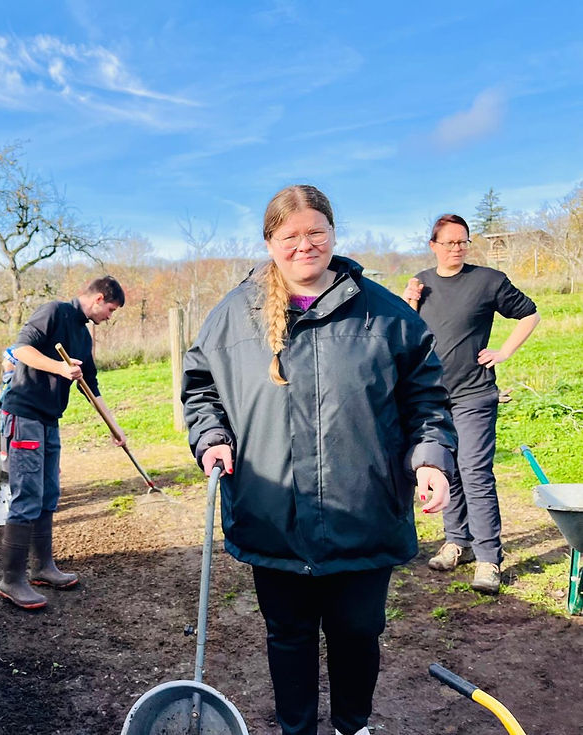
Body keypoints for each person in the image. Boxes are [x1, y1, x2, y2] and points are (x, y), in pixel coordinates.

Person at [182, 185, 456, 735]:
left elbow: (425, 397)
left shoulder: (387, 314)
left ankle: (353, 725)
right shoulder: (234, 314)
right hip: (272, 508)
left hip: (364, 509)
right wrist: (211, 437)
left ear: (333, 233)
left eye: (316, 232)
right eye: (290, 236)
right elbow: (200, 389)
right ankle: (296, 729)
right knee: (288, 633)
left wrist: (429, 460)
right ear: (269, 242)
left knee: (359, 631)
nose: (304, 245)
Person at [403, 214, 540, 594]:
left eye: (462, 241)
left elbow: (530, 313)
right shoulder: (422, 283)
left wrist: (504, 352)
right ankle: (456, 543)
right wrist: (409, 303)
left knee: (475, 472)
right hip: (434, 397)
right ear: (433, 245)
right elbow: (409, 336)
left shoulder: (488, 281)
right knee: (448, 471)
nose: (456, 248)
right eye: (448, 242)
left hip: (475, 393)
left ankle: (488, 559)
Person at [0, 277, 127, 609]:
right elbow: (21, 349)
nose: (110, 317)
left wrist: (115, 427)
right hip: (23, 414)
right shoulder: (53, 312)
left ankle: (43, 567)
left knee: (48, 493)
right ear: (99, 299)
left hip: (49, 419)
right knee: (26, 494)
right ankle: (11, 581)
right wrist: (59, 367)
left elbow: (91, 385)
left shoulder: (83, 335)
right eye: (110, 310)